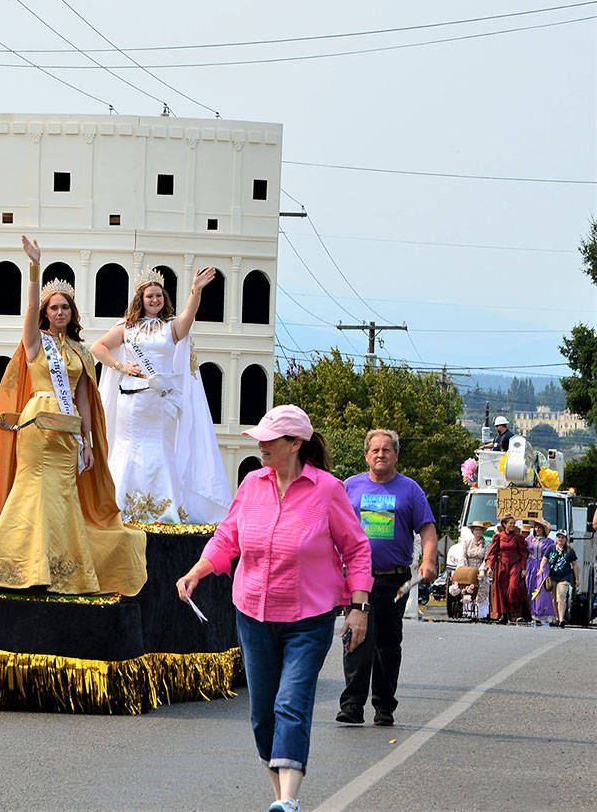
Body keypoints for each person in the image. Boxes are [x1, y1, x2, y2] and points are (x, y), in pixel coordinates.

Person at [176, 405, 372, 812]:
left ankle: (288, 800)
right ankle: (280, 795)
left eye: (270, 440)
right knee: (263, 713)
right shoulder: (251, 484)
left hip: (309, 617)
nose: (261, 446)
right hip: (252, 614)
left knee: (291, 702)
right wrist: (199, 568)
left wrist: (359, 607)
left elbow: (355, 549)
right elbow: (228, 535)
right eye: (260, 439)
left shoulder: (327, 489)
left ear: (295, 444)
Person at [0, 236, 147, 596]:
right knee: (31, 490)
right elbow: (28, 313)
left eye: (64, 308)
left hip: (68, 434)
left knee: (63, 496)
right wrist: (35, 267)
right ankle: (15, 568)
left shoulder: (81, 352)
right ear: (45, 312)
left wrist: (86, 443)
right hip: (37, 428)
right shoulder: (36, 342)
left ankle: (61, 572)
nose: (59, 313)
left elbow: (84, 400)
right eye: (53, 308)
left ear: (73, 313)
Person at [91, 266, 230, 524]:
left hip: (162, 402)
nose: (155, 300)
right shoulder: (127, 327)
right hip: (132, 402)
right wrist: (121, 366)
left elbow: (189, 315)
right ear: (140, 300)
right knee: (129, 448)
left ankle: (163, 507)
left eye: (159, 296)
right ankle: (122, 506)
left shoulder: (172, 327)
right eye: (150, 296)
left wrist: (195, 290)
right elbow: (97, 348)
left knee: (161, 449)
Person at [336, 428, 438, 728]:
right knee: (355, 639)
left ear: (396, 455)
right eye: (375, 450)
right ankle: (352, 705)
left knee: (387, 644)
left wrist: (428, 560)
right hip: (357, 579)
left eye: (387, 450)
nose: (381, 455)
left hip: (394, 581)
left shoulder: (410, 490)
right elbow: (329, 525)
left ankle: (383, 707)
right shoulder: (349, 487)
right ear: (367, 455)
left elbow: (428, 529)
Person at [486, 516, 529, 623]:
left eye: (514, 523)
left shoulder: (518, 537)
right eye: (510, 523)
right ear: (504, 524)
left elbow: (524, 554)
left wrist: (523, 568)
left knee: (513, 588)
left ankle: (514, 613)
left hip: (515, 565)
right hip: (502, 565)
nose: (512, 525)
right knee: (501, 590)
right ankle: (503, 615)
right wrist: (490, 567)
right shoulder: (498, 537)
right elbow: (494, 553)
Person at [448, 521, 491, 620]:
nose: (478, 532)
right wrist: (464, 569)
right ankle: (467, 611)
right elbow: (463, 556)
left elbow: (486, 559)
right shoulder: (467, 542)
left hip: (480, 569)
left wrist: (481, 570)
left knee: (480, 587)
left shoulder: (487, 544)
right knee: (466, 586)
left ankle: (480, 613)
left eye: (480, 530)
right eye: (476, 530)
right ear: (473, 531)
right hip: (468, 568)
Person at [524, 518, 556, 625]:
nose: (537, 530)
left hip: (543, 565)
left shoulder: (550, 542)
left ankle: (543, 613)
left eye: (540, 528)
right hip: (531, 565)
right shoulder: (529, 539)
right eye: (536, 527)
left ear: (543, 530)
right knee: (530, 587)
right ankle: (532, 614)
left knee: (542, 589)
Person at [545, 530, 577, 627]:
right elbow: (544, 559)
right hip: (553, 577)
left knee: (561, 596)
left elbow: (575, 565)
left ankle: (562, 619)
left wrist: (577, 579)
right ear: (556, 538)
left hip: (564, 577)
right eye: (559, 537)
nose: (560, 539)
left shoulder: (569, 550)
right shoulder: (551, 548)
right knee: (554, 599)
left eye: (562, 537)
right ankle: (557, 618)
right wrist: (541, 569)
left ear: (566, 539)